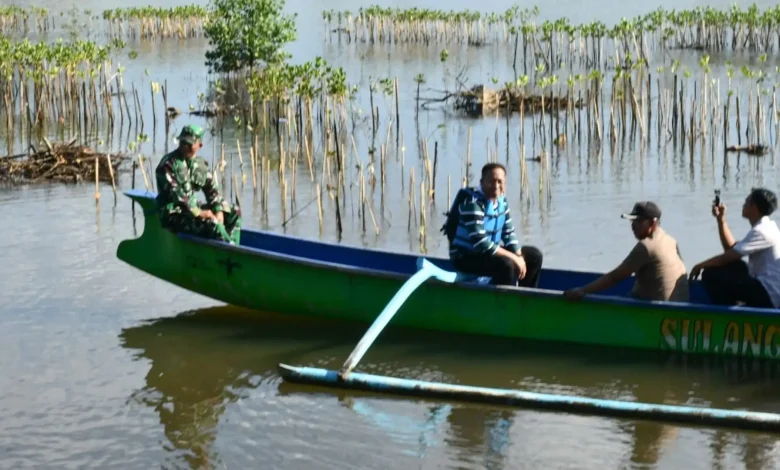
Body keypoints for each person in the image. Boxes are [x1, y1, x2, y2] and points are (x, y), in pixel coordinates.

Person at [563, 201, 689, 302]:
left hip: (657, 310)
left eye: (639, 221)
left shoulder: (647, 246)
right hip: (678, 304)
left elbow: (614, 277)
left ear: (653, 223)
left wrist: (582, 291)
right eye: (632, 220)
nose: (633, 225)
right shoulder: (671, 240)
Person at [444, 162, 543, 287]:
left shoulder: (502, 202)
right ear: (482, 182)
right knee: (506, 264)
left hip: (486, 254)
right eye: (491, 181)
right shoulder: (472, 204)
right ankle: (503, 303)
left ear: (504, 184)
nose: (496, 186)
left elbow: (508, 234)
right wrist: (514, 258)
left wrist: (519, 256)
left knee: (534, 256)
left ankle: (525, 299)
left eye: (500, 181)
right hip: (464, 257)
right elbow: (481, 243)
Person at [689, 188, 780, 308]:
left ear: (754, 208)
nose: (743, 205)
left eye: (746, 202)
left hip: (768, 293)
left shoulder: (762, 231)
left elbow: (725, 258)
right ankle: (738, 305)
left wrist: (700, 265)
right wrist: (721, 220)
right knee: (736, 266)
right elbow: (732, 250)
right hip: (763, 285)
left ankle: (728, 313)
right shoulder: (767, 226)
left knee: (710, 274)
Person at [155, 124, 242, 245]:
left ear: (199, 145)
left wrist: (218, 210)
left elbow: (212, 192)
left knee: (234, 212)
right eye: (182, 143)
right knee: (213, 224)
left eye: (189, 144)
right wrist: (201, 213)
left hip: (192, 211)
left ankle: (232, 245)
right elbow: (179, 197)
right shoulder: (168, 164)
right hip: (174, 216)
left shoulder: (199, 165)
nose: (184, 147)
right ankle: (231, 250)